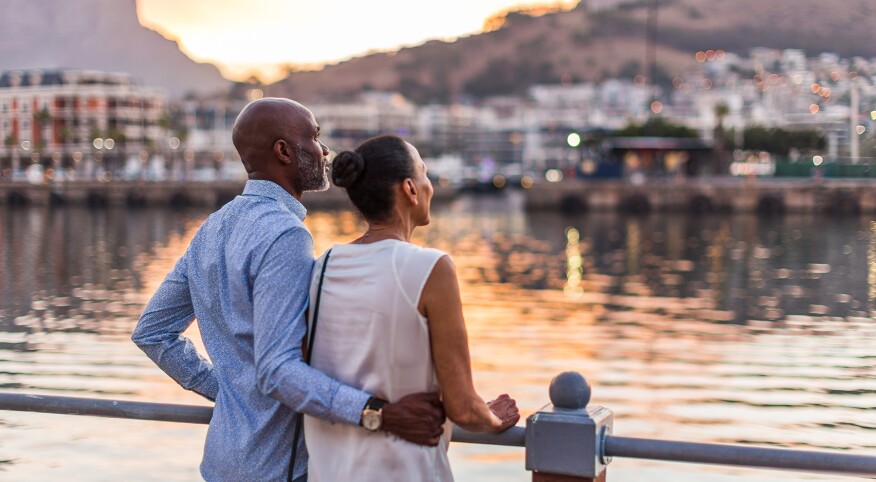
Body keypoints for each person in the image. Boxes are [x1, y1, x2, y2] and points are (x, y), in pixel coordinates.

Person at [131, 99, 445, 482]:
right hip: (275, 470)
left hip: (221, 465)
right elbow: (278, 371)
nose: (324, 150)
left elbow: (152, 332)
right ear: (283, 151)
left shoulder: (213, 227)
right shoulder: (285, 235)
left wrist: (232, 394)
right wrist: (377, 411)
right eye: (314, 137)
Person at [303, 135, 520, 481]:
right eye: (425, 174)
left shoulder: (324, 264)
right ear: (410, 189)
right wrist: (494, 418)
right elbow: (463, 408)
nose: (430, 185)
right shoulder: (431, 268)